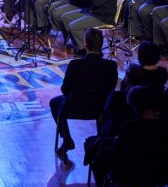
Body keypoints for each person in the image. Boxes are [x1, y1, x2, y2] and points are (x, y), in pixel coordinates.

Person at [49, 28, 117, 158]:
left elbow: (65, 90)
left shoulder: (75, 64)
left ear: (85, 44)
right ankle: (100, 140)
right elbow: (111, 91)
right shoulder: (111, 66)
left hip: (74, 107)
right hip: (100, 109)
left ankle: (67, 139)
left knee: (54, 103)